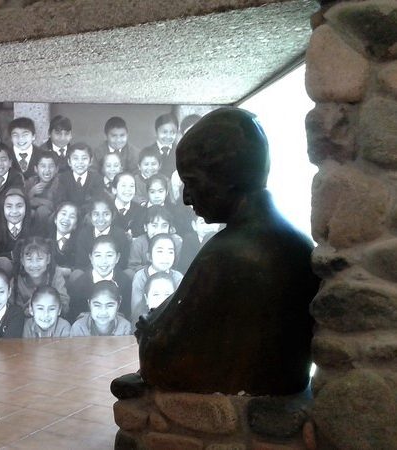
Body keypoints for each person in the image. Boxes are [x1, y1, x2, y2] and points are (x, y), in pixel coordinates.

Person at [138, 107, 320, 395]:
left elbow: (158, 357)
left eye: (193, 182)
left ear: (228, 177)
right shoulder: (296, 240)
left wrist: (148, 329)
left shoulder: (228, 253)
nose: (186, 197)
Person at [67, 236, 132, 322]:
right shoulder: (80, 283)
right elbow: (74, 315)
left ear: (117, 258)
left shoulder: (125, 281)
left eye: (109, 255)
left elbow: (126, 313)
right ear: (91, 258)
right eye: (98, 255)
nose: (103, 261)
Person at [130, 233, 183, 324]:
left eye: (170, 252)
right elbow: (136, 310)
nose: (165, 257)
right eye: (160, 251)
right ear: (149, 256)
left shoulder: (178, 277)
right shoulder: (140, 276)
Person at [11, 237, 70, 313]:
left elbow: (64, 304)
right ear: (22, 260)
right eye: (29, 259)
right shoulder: (16, 281)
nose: (34, 265)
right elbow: (13, 310)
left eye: (39, 259)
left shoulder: (55, 275)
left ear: (48, 259)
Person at [73, 196, 130, 272]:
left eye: (106, 214)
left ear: (112, 216)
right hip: (90, 275)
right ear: (90, 216)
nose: (101, 219)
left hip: (114, 276)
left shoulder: (121, 235)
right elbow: (81, 264)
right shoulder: (84, 235)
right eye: (96, 214)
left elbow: (122, 264)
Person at [56, 143, 103, 211]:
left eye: (84, 158)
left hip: (89, 215)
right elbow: (61, 202)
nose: (80, 162)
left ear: (90, 161)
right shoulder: (63, 178)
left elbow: (97, 201)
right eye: (75, 158)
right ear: (69, 162)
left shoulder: (97, 178)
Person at [24, 150, 61, 225]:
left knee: (42, 210)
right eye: (43, 166)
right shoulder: (30, 182)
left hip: (50, 219)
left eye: (51, 166)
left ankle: (42, 236)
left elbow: (52, 205)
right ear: (36, 169)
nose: (47, 170)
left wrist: (34, 201)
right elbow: (21, 201)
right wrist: (31, 193)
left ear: (56, 169)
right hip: (30, 219)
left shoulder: (59, 184)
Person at [142, 113, 178, 178]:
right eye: (164, 132)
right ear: (156, 131)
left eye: (172, 132)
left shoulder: (180, 152)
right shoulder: (147, 152)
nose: (168, 136)